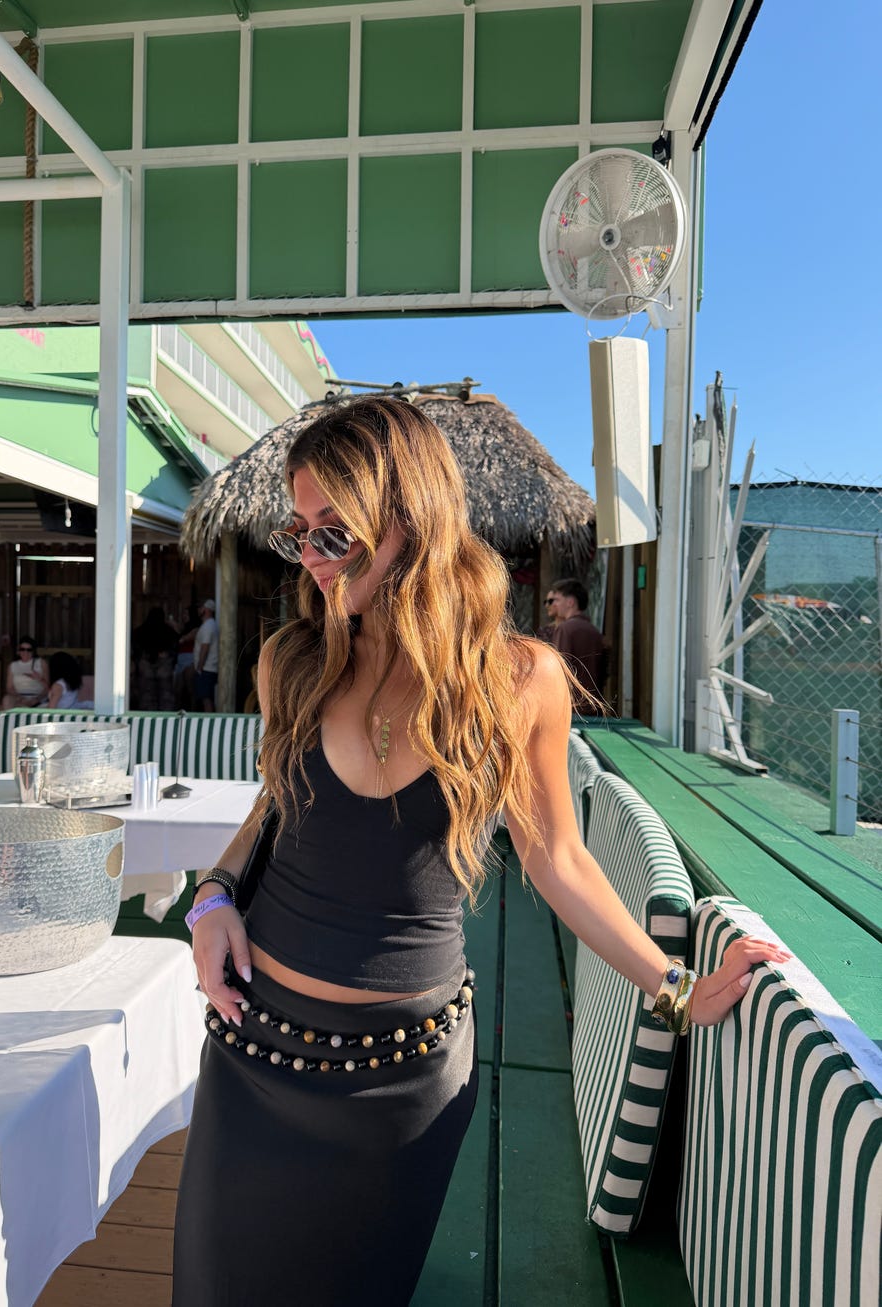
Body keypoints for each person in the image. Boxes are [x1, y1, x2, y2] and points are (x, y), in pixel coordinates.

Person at [173, 397, 788, 1307]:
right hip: (257, 1053)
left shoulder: (519, 680)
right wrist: (213, 896)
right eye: (298, 532)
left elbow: (558, 860)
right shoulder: (292, 660)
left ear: (410, 520)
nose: (311, 556)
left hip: (403, 1080)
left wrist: (673, 989)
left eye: (334, 531)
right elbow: (279, 802)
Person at [545, 578, 608, 714]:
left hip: (570, 708)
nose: (554, 605)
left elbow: (559, 671)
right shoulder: (595, 632)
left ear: (570, 602)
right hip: (593, 707)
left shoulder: (565, 629)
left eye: (557, 600)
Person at [131, 607, 179, 710]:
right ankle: (165, 715)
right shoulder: (168, 631)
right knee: (165, 690)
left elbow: (135, 645)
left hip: (146, 663)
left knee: (147, 691)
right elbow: (176, 644)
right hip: (163, 663)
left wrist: (141, 657)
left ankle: (148, 712)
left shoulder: (140, 631)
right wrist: (167, 654)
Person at [0, 637, 49, 709]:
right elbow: (9, 687)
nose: (25, 652)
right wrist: (19, 697)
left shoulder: (41, 663)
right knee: (7, 700)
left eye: (29, 650)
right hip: (19, 698)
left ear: (33, 651)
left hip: (38, 698)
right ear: (18, 651)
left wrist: (39, 679)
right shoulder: (13, 665)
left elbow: (48, 687)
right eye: (22, 649)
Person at [193, 599, 218, 711]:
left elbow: (205, 647)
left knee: (206, 699)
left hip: (207, 669)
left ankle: (211, 722)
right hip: (207, 668)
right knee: (205, 697)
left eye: (201, 607)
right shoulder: (208, 625)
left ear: (207, 609)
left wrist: (199, 667)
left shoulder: (209, 626)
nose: (199, 610)